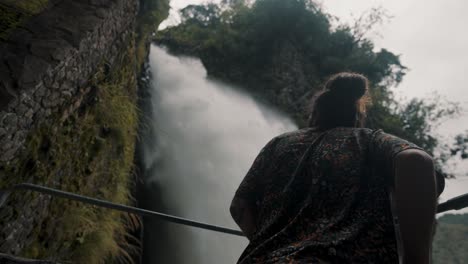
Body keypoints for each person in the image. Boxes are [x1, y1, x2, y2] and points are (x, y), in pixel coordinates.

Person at [230, 72, 445, 264]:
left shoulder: (278, 144)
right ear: (356, 114)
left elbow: (239, 206)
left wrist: (267, 243)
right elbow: (416, 161)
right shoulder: (369, 141)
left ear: (316, 112)